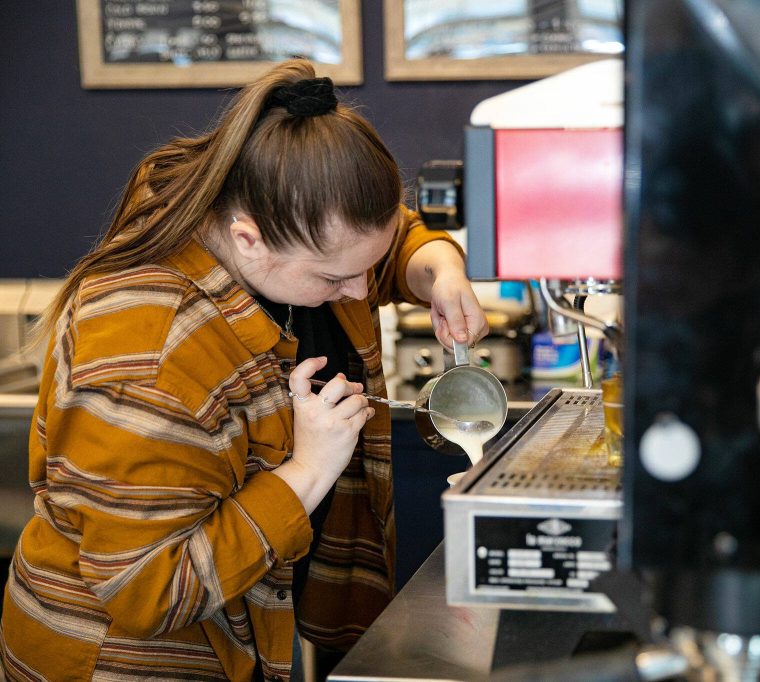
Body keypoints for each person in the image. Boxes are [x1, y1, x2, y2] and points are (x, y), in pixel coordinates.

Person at [0, 59, 488, 681]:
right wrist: (306, 471)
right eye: (334, 278)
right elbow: (148, 591)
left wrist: (439, 269)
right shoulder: (149, 351)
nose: (360, 290)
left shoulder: (280, 215)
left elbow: (384, 242)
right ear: (248, 237)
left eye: (367, 267)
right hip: (132, 662)